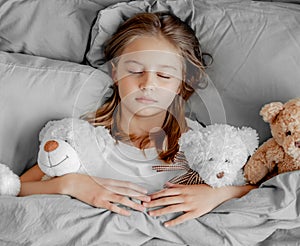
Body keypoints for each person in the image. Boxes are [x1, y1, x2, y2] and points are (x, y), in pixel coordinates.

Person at [19, 12, 255, 227]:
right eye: (134, 71)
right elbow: (17, 188)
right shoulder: (84, 138)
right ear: (115, 73)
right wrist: (70, 185)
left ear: (183, 82)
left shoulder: (202, 143)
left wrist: (215, 195)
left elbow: (255, 190)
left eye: (164, 75)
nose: (147, 84)